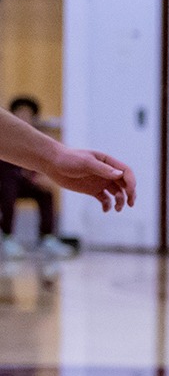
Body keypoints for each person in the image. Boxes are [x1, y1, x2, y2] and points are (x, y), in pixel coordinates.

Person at [0, 96, 135, 263]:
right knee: (8, 186)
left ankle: (47, 238)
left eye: (27, 114)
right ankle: (6, 237)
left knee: (45, 192)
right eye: (20, 114)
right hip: (5, 185)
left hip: (24, 184)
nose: (23, 117)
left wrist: (54, 160)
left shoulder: (37, 139)